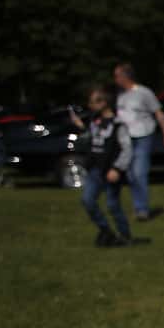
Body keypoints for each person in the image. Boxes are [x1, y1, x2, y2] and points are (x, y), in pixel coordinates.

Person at [70, 88, 131, 247]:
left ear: (104, 103)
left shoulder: (118, 124)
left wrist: (117, 168)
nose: (90, 105)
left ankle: (125, 236)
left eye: (93, 102)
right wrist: (82, 128)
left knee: (112, 205)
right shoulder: (94, 122)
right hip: (95, 170)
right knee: (88, 200)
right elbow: (91, 141)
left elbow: (127, 149)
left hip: (110, 169)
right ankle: (105, 230)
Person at [113, 63, 164, 221]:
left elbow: (158, 113)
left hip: (143, 136)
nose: (115, 79)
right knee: (130, 175)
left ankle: (142, 210)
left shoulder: (143, 93)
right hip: (126, 138)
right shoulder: (121, 95)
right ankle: (138, 206)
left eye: (117, 75)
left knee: (139, 172)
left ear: (126, 76)